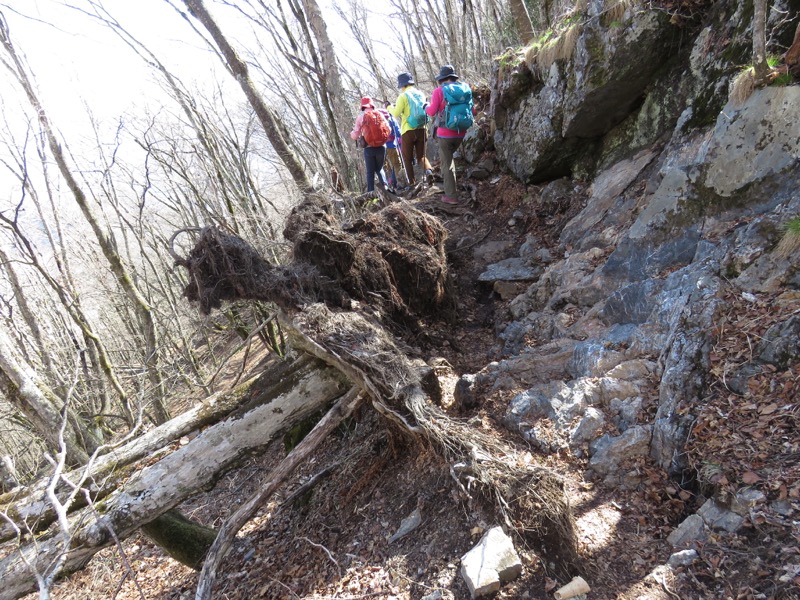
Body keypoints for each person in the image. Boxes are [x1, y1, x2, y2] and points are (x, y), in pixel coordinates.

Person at [425, 65, 477, 205]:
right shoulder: (465, 89)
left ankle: (451, 196)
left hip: (445, 135)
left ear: (442, 79)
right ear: (454, 77)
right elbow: (474, 111)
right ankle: (451, 188)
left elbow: (431, 112)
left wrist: (425, 106)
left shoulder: (439, 91)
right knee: (449, 161)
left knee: (447, 164)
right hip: (461, 133)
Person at [388, 72, 434, 188]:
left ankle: (412, 184)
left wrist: (388, 107)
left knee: (407, 159)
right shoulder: (420, 94)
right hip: (422, 128)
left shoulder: (403, 96)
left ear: (402, 85)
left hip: (408, 131)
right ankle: (429, 171)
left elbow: (396, 113)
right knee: (421, 157)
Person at [350, 96, 389, 193]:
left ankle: (371, 193)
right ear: (372, 104)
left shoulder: (360, 117)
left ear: (362, 106)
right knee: (379, 168)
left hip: (369, 148)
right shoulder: (379, 114)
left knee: (370, 172)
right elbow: (389, 129)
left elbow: (355, 136)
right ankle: (387, 188)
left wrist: (351, 133)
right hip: (382, 147)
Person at [378, 103, 406, 192]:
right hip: (391, 145)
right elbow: (398, 132)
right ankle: (400, 184)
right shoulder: (391, 119)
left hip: (381, 147)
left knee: (387, 167)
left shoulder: (379, 120)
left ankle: (390, 184)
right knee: (397, 164)